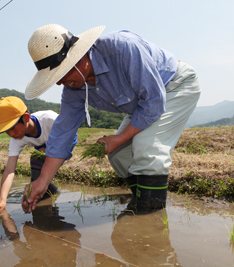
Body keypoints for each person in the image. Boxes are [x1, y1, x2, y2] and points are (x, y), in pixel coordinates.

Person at [21, 24, 201, 213]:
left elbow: (153, 101)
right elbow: (62, 132)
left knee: (147, 146)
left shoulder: (123, 48)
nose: (59, 82)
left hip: (173, 86)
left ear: (79, 56)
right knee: (119, 155)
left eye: (61, 72)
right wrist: (43, 180)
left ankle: (150, 222)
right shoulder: (73, 88)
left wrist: (120, 138)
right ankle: (144, 201)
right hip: (142, 105)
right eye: (54, 77)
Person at [0, 96, 77, 212]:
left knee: (39, 163)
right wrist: (2, 199)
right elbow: (10, 170)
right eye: (6, 130)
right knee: (37, 165)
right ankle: (51, 195)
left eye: (12, 128)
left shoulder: (49, 120)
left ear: (26, 117)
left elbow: (68, 136)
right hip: (44, 146)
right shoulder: (16, 138)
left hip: (64, 140)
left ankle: (46, 201)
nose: (10, 134)